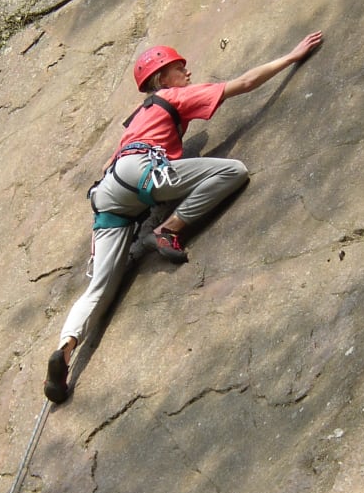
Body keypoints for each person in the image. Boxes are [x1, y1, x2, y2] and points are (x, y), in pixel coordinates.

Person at [43, 30, 324, 403]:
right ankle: (168, 230)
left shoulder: (139, 118)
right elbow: (243, 83)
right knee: (233, 171)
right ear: (162, 79)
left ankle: (64, 353)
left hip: (109, 191)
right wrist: (290, 56)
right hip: (140, 171)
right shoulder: (172, 97)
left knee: (99, 289)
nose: (187, 71)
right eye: (179, 67)